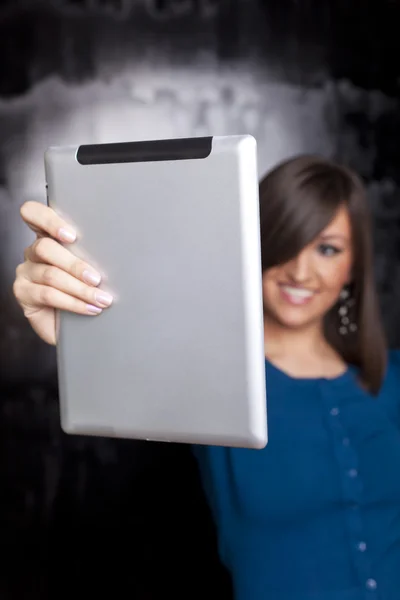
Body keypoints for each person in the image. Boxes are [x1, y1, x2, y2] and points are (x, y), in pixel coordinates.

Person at [13, 155, 400, 600]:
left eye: (327, 249)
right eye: (285, 241)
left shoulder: (392, 379)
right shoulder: (208, 377)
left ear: (353, 267)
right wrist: (81, 335)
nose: (300, 271)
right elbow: (130, 375)